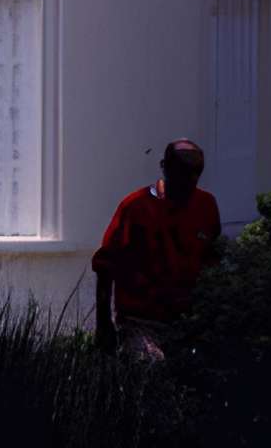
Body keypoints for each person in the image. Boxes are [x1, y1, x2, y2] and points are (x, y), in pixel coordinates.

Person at [92, 138, 221, 361]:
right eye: (183, 173)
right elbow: (106, 266)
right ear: (165, 168)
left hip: (190, 321)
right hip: (141, 321)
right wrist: (104, 324)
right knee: (149, 363)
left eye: (195, 173)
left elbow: (212, 259)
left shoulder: (206, 205)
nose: (190, 181)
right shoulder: (136, 207)